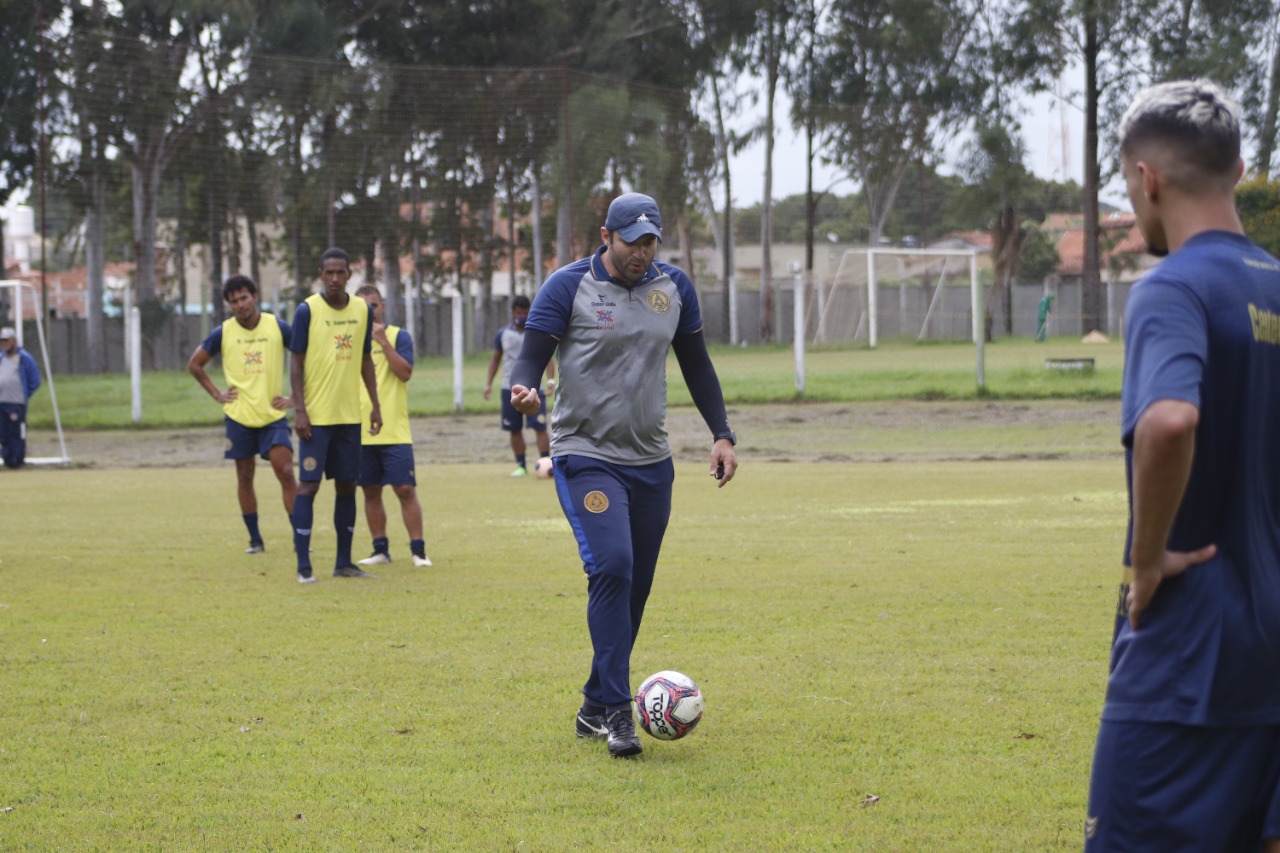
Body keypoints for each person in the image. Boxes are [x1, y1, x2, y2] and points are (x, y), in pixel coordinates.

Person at [1085, 79, 1280, 852]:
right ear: (1237, 170)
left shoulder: (1172, 289)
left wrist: (1147, 559)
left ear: (1147, 179)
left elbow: (1170, 419)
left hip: (1189, 654)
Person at [509, 192, 738, 759]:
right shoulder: (568, 286)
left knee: (633, 587)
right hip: (584, 453)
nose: (642, 250)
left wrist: (722, 432)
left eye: (651, 240)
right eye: (632, 240)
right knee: (612, 565)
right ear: (606, 236)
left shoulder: (674, 289)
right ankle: (616, 711)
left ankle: (592, 704)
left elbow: (697, 365)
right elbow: (530, 358)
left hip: (651, 461)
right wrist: (525, 388)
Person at [289, 248, 382, 584]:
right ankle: (303, 566)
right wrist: (300, 411)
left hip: (349, 418)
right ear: (320, 274)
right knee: (308, 487)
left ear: (349, 275)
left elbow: (365, 360)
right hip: (315, 418)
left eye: (340, 272)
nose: (334, 278)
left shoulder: (361, 310)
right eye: (328, 273)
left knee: (347, 486)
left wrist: (375, 404)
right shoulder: (307, 311)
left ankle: (344, 563)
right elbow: (296, 362)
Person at [187, 275, 297, 553]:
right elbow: (195, 365)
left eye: (244, 298)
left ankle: (300, 536)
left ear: (255, 296)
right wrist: (217, 395)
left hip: (273, 415)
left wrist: (296, 396)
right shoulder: (222, 333)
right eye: (234, 301)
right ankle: (255, 539)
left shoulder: (278, 326)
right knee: (245, 475)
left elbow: (305, 357)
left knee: (285, 471)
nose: (240, 305)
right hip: (239, 417)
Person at [352, 284, 432, 568]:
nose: (369, 311)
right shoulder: (349, 341)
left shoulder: (399, 336)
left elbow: (405, 373)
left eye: (373, 305)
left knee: (405, 489)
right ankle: (380, 550)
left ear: (382, 306)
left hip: (395, 430)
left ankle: (418, 551)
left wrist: (383, 342)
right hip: (359, 430)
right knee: (370, 490)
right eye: (363, 306)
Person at [483, 294, 555, 477]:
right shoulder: (502, 334)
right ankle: (521, 465)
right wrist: (488, 384)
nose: (521, 316)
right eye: (518, 312)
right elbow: (495, 360)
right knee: (514, 428)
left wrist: (550, 380)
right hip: (510, 387)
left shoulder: (537, 331)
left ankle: (546, 462)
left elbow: (547, 358)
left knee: (539, 426)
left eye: (525, 312)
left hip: (534, 387)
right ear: (512, 313)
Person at [0, 325, 41, 469]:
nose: (4, 344)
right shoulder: (1, 358)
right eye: (2, 341)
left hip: (16, 403)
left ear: (13, 341)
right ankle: (7, 459)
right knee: (3, 433)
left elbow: (35, 380)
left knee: (15, 432)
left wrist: (24, 394)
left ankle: (17, 461)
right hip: (2, 402)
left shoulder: (24, 358)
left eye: (7, 340)